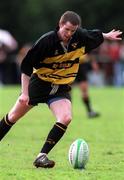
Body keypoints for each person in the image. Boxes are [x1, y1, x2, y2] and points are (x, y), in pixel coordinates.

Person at [0, 11, 122, 168]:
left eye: (73, 30)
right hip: (39, 84)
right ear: (60, 24)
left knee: (65, 117)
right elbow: (26, 65)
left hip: (61, 87)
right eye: (67, 30)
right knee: (13, 117)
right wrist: (25, 93)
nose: (69, 34)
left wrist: (106, 36)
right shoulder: (46, 42)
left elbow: (95, 34)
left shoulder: (80, 36)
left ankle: (41, 156)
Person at [75, 54, 101, 118]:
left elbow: (89, 50)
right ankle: (66, 112)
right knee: (66, 89)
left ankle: (89, 111)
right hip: (69, 64)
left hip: (81, 65)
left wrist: (93, 63)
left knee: (84, 89)